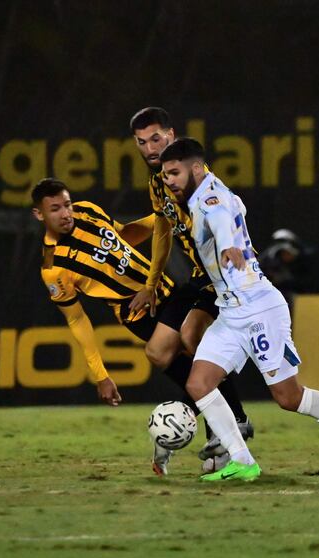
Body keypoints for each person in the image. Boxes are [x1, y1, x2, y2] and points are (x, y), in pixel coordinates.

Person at [158, 137, 319, 482]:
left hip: (259, 308)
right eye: (164, 176)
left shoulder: (209, 199)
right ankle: (243, 460)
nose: (169, 181)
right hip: (231, 311)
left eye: (174, 173)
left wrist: (227, 247)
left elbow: (222, 219)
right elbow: (236, 209)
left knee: (289, 397)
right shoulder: (211, 191)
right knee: (199, 383)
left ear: (195, 168)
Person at [31, 177, 251, 476]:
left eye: (67, 204)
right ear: (39, 214)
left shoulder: (87, 212)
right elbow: (77, 319)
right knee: (191, 371)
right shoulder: (52, 269)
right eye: (55, 209)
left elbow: (122, 235)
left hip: (163, 289)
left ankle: (222, 428)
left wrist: (160, 219)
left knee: (190, 350)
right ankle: (218, 432)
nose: (65, 213)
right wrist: (101, 375)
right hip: (138, 315)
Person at [128, 107, 252, 463]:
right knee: (158, 351)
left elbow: (224, 211)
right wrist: (151, 284)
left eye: (156, 138)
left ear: (171, 135)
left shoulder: (197, 179)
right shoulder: (160, 182)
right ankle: (223, 415)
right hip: (197, 278)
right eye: (141, 142)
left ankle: (228, 427)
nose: (150, 148)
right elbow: (163, 229)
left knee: (193, 338)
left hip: (224, 277)